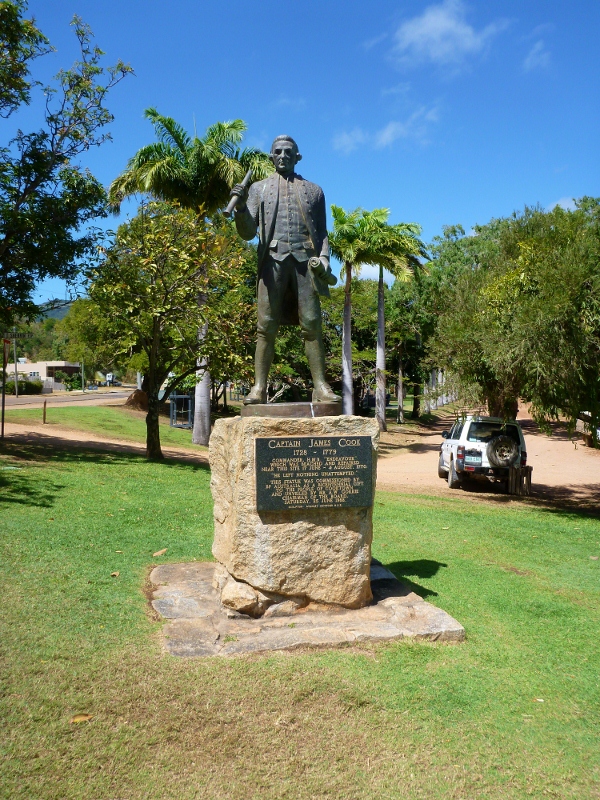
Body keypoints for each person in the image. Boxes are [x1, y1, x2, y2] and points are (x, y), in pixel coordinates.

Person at [230, 135, 340, 405]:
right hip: (273, 262)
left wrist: (324, 258)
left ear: (297, 156)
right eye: (277, 151)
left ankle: (320, 386)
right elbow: (247, 233)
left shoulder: (314, 190)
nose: (283, 156)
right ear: (271, 156)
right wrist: (241, 207)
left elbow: (322, 233)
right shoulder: (258, 189)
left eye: (288, 152)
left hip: (306, 263)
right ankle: (258, 388)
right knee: (265, 326)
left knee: (312, 325)